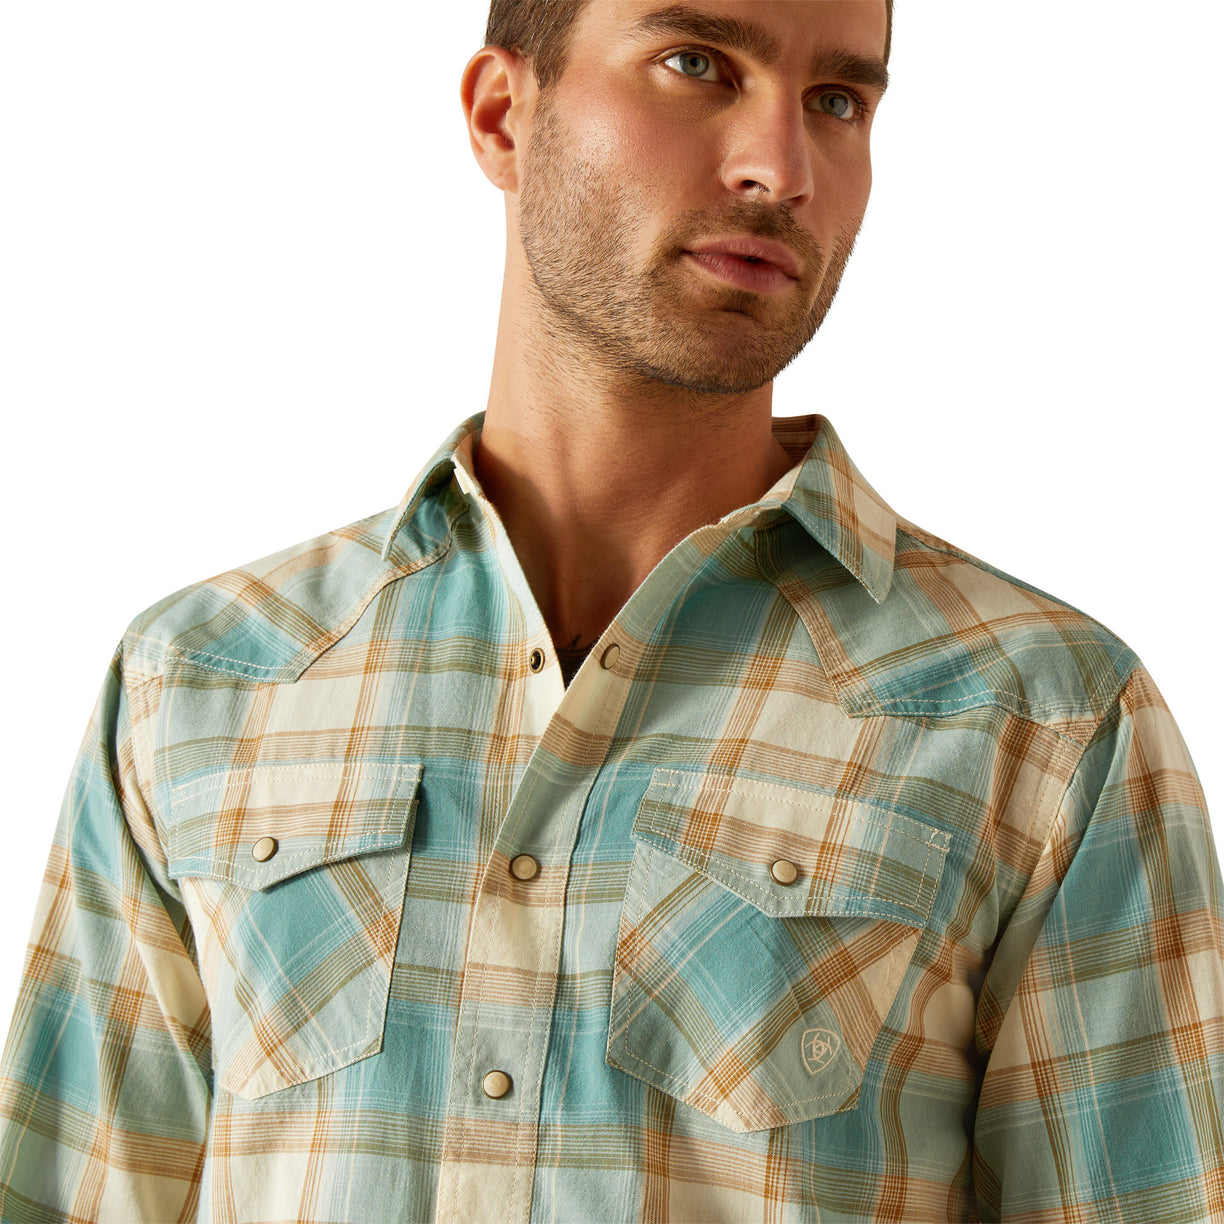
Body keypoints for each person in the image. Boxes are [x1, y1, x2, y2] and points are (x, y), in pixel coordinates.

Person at [1, 0, 1220, 1220]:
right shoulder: (207, 679)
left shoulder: (1043, 719)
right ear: (501, 115)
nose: (780, 167)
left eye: (837, 102)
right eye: (697, 64)